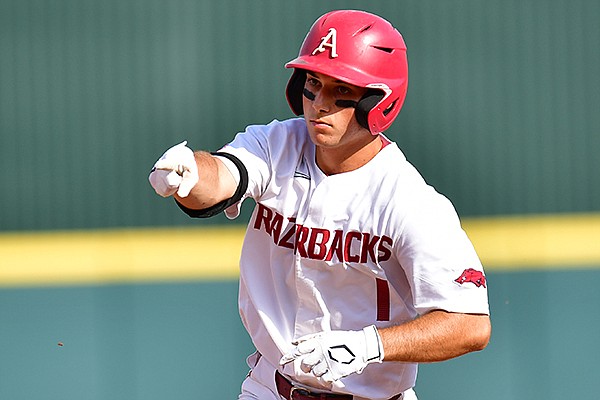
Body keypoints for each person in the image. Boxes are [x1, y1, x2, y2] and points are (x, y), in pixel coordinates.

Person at [149, 9, 491, 400]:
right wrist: (190, 172)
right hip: (270, 389)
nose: (320, 103)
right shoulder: (277, 145)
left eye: (342, 90)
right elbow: (224, 176)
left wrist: (369, 346)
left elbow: (470, 325)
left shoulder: (408, 201)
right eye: (314, 82)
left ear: (379, 101)